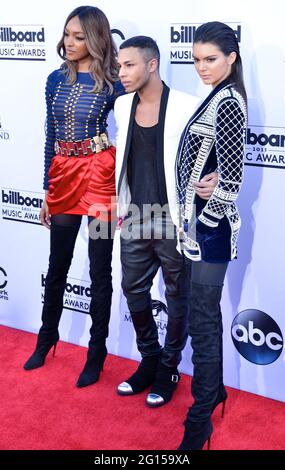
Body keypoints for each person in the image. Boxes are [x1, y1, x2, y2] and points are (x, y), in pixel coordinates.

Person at [23, 6, 124, 388]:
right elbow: (50, 135)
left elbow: (135, 129)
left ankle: (96, 351)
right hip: (64, 175)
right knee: (58, 262)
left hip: (100, 177)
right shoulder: (54, 79)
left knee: (100, 268)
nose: (70, 42)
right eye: (67, 34)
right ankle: (47, 337)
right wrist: (48, 189)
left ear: (96, 39)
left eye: (79, 36)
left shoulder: (115, 83)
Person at [114, 36, 218, 407]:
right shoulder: (122, 105)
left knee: (177, 296)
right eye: (119, 65)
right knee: (133, 290)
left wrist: (219, 175)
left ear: (152, 64)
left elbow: (215, 147)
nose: (121, 72)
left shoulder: (188, 106)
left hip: (175, 220)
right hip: (137, 217)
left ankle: (169, 368)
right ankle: (150, 358)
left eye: (129, 65)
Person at [176, 22, 247, 449]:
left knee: (201, 320)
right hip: (199, 227)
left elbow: (234, 177)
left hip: (211, 230)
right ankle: (214, 390)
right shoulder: (216, 95)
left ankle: (199, 417)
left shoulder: (229, 101)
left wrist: (212, 204)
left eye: (211, 59)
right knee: (202, 316)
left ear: (231, 58)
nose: (201, 67)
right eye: (197, 59)